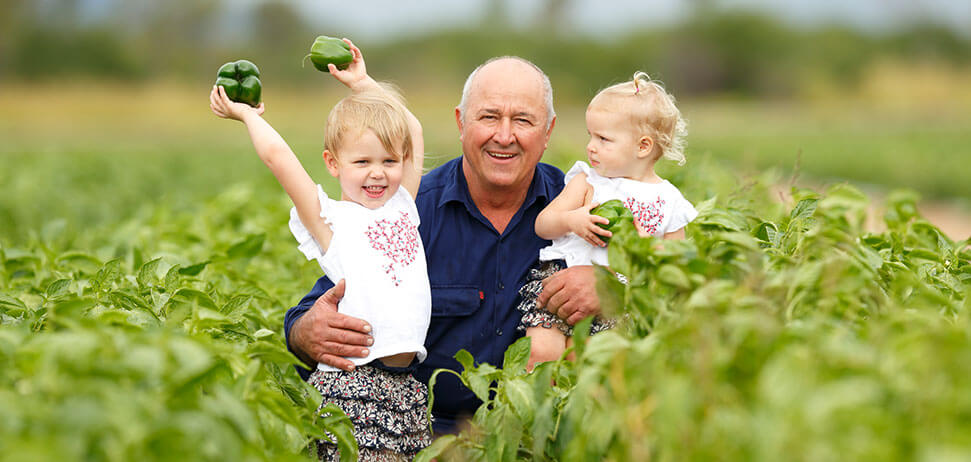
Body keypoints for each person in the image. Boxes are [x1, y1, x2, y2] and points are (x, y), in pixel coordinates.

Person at [285, 56, 603, 434]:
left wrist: (612, 286)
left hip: (542, 435)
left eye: (522, 120)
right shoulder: (406, 208)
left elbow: (666, 289)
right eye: (488, 117)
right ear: (460, 123)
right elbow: (319, 307)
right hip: (424, 435)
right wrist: (306, 332)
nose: (504, 135)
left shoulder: (584, 205)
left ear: (547, 130)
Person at [210, 39, 432, 460]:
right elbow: (279, 158)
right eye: (362, 162)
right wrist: (247, 115)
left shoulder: (404, 206)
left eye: (388, 161)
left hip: (407, 387)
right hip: (353, 388)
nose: (378, 173)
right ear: (333, 164)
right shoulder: (333, 222)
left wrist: (364, 84)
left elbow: (413, 130)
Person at [518, 71, 698, 370]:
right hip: (559, 281)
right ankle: (537, 412)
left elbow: (675, 264)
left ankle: (574, 413)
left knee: (587, 361)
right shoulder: (588, 180)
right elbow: (543, 224)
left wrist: (645, 250)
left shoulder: (669, 201)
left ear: (643, 146)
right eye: (591, 135)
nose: (591, 146)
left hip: (617, 300)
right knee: (539, 352)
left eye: (603, 139)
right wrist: (573, 220)